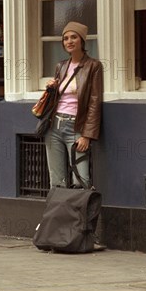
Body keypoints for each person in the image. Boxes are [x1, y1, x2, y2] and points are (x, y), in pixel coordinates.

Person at [44, 21, 103, 189]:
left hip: (76, 127)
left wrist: (87, 135)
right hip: (54, 126)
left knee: (81, 180)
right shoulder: (61, 66)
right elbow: (56, 98)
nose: (69, 41)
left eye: (73, 37)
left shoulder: (93, 66)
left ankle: (80, 216)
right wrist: (51, 88)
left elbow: (94, 101)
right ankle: (59, 215)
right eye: (65, 38)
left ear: (82, 41)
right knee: (56, 181)